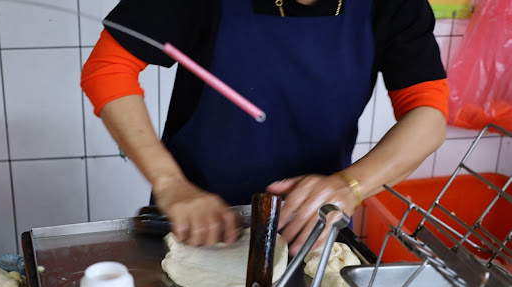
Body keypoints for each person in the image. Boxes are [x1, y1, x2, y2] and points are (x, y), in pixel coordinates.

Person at [81, 0, 448, 255]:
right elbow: (108, 71)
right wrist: (169, 183)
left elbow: (428, 114)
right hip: (197, 218)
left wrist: (350, 185)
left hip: (311, 224)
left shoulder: (395, 6)